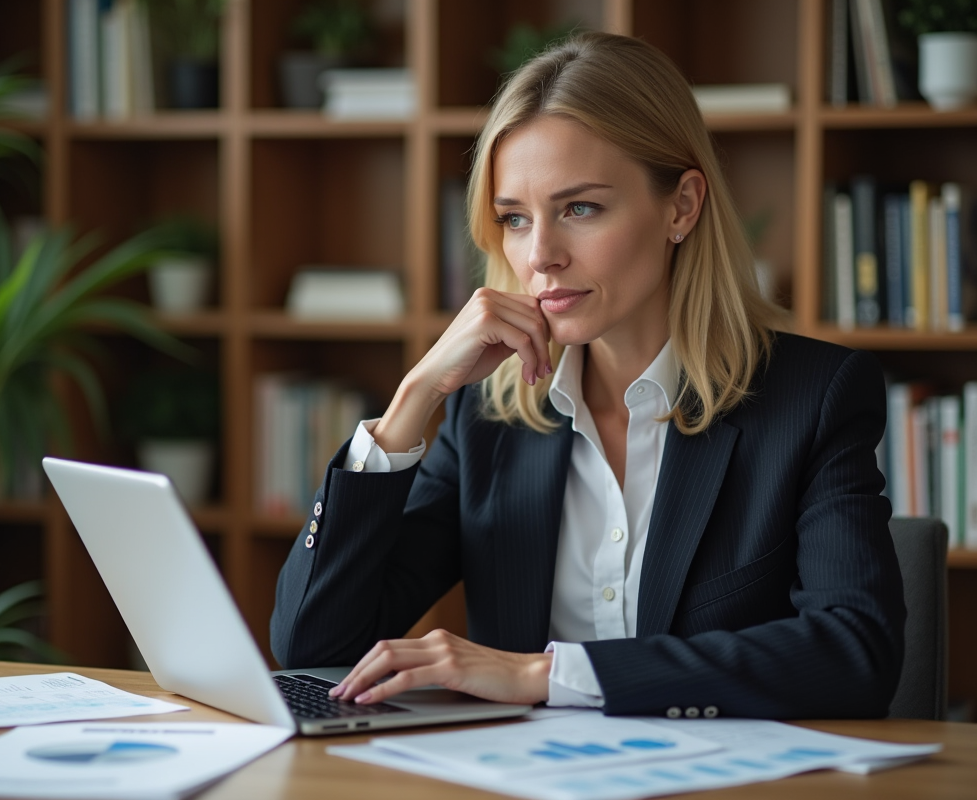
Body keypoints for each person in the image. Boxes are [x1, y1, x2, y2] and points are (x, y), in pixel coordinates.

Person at [269, 31, 904, 719]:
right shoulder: (487, 414)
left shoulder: (811, 398)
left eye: (580, 209)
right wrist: (413, 399)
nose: (540, 256)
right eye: (515, 219)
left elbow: (855, 652)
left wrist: (547, 675)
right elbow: (314, 642)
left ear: (681, 207)